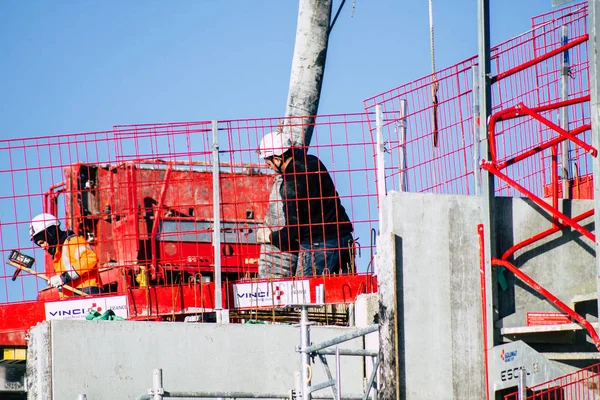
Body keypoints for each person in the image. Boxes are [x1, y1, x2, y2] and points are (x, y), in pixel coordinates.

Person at [256, 131, 354, 276]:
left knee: (315, 294)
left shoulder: (290, 186)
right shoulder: (314, 162)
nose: (268, 166)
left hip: (320, 248)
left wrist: (269, 236)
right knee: (347, 292)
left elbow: (292, 232)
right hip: (344, 238)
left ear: (277, 159)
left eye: (268, 161)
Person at [29, 213, 103, 296]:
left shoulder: (72, 242)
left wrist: (64, 277)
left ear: (50, 233)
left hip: (87, 293)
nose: (42, 247)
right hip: (73, 298)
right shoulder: (58, 254)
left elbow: (90, 259)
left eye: (42, 242)